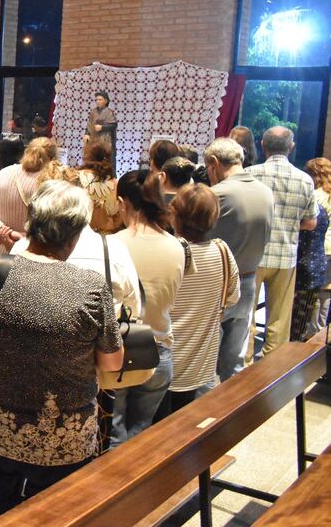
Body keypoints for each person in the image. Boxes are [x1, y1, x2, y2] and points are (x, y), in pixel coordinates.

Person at [0, 181, 123, 525]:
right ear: (74, 236)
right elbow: (112, 363)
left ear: (30, 222)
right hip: (64, 435)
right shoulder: (90, 286)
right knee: (58, 516)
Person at [110, 170, 185, 446]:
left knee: (113, 435)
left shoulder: (114, 244)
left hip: (119, 347)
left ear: (122, 202)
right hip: (159, 348)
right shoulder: (176, 245)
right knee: (142, 435)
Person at [159, 184, 239, 415]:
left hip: (163, 358)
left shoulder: (168, 252)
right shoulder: (222, 251)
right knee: (183, 422)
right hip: (199, 361)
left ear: (174, 215)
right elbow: (232, 298)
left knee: (156, 429)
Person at [203, 137, 274, 382]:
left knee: (207, 361)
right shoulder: (266, 193)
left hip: (216, 285)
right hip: (249, 278)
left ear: (213, 162)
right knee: (234, 358)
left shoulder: (217, 194)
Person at [248, 126, 318, 357]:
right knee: (279, 318)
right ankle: (272, 367)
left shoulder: (250, 174)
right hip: (285, 256)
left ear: (262, 145)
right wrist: (286, 223)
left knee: (246, 314)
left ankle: (242, 368)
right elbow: (311, 223)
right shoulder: (305, 180)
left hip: (253, 253)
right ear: (291, 147)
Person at [0, 137, 57, 256]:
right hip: (32, 254)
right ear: (53, 159)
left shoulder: (5, 173)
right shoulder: (52, 182)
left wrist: (4, 231)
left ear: (27, 151)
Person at [290, 158, 331, 342]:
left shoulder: (315, 196)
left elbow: (309, 225)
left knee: (308, 303)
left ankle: (309, 339)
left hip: (315, 250)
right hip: (325, 253)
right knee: (325, 297)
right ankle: (320, 336)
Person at [304, 157, 331, 338]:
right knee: (327, 292)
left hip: (321, 247)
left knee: (314, 293)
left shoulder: (317, 196)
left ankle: (311, 335)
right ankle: (321, 332)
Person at [77, 139, 121, 234]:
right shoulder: (114, 182)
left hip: (81, 233)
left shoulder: (76, 177)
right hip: (107, 235)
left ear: (86, 156)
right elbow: (114, 210)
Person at [84, 91, 117, 166]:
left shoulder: (109, 112)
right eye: (96, 100)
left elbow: (113, 125)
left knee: (106, 161)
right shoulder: (93, 112)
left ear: (105, 101)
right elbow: (89, 125)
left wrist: (102, 127)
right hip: (94, 140)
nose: (98, 101)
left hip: (106, 141)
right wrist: (87, 134)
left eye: (100, 99)